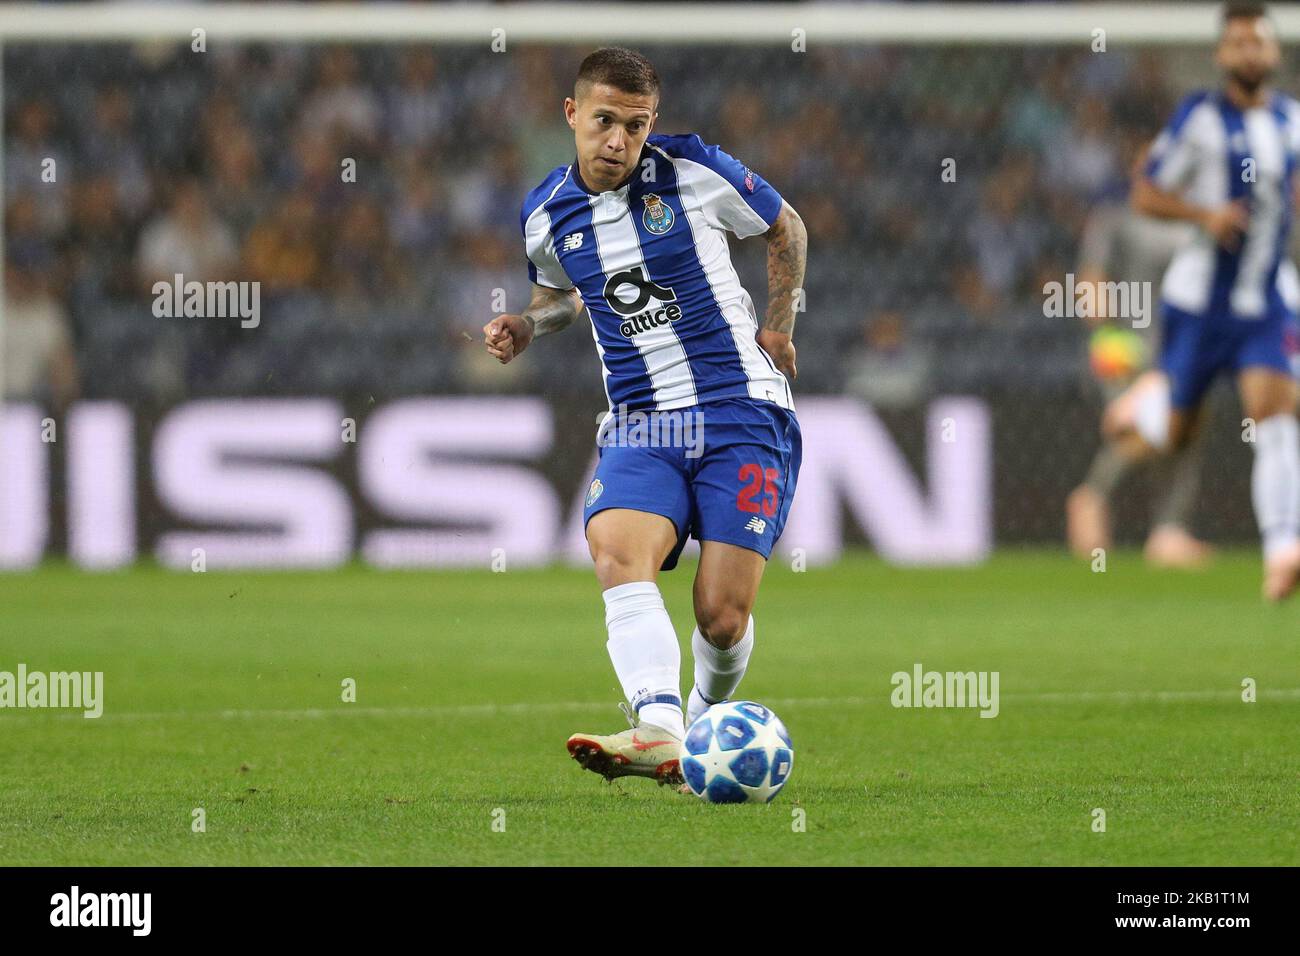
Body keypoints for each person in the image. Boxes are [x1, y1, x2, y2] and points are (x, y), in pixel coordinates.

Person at [483, 47, 806, 786]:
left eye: (635, 125)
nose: (619, 141)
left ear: (652, 122)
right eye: (604, 122)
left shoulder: (693, 170)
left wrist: (779, 325)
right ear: (572, 115)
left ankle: (692, 720)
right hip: (642, 424)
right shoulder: (544, 214)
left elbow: (786, 227)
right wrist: (531, 327)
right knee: (615, 551)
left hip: (741, 412)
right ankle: (658, 728)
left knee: (721, 618)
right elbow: (570, 294)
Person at [1129, 1, 1300, 600]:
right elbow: (1145, 192)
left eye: (1259, 42)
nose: (1250, 52)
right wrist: (1204, 213)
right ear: (1221, 54)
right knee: (1172, 436)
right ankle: (1141, 407)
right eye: (1239, 44)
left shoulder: (1293, 122)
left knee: (1276, 416)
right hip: (1198, 307)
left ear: (1274, 52)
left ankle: (1283, 552)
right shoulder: (1198, 118)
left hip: (1264, 305)